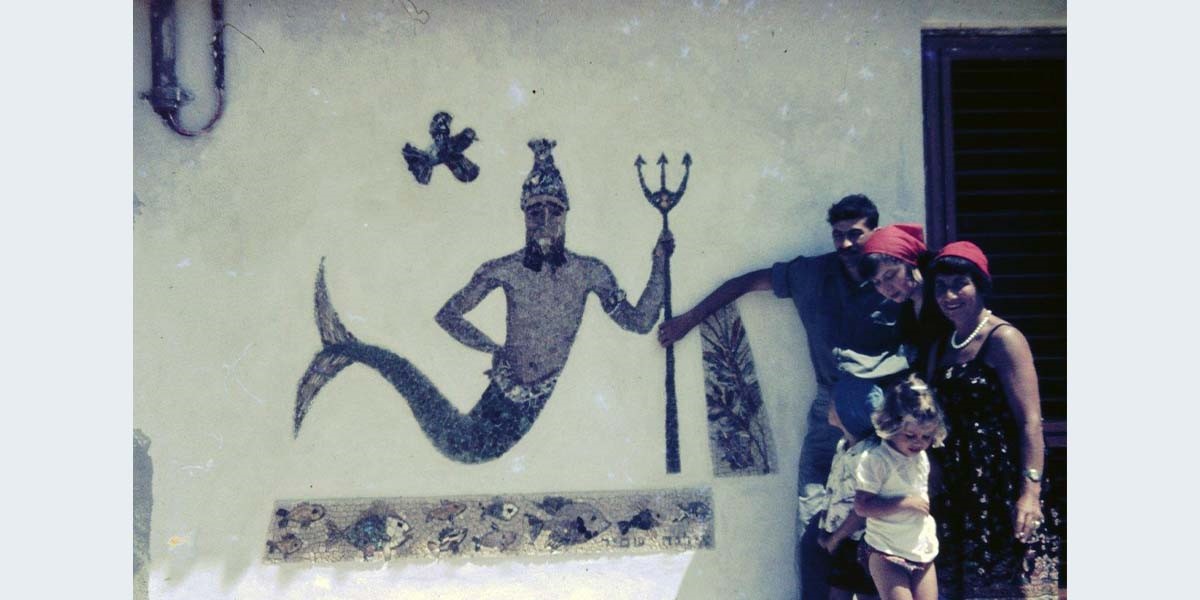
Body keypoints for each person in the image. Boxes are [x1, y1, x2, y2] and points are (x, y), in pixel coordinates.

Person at [293, 138, 673, 463]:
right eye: (535, 211)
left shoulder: (591, 272)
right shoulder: (504, 270)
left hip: (528, 403)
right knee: (459, 444)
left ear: (565, 214)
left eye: (553, 211)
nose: (544, 220)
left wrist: (659, 263)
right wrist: (491, 347)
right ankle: (349, 350)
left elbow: (640, 321)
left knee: (464, 446)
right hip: (501, 397)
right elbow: (448, 315)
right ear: (524, 216)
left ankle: (347, 349)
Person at [656, 194, 908, 600]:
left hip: (883, 413)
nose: (845, 244)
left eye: (855, 234)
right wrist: (687, 320)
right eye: (838, 235)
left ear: (874, 232)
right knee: (814, 511)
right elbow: (745, 283)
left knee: (880, 516)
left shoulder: (896, 276)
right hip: (831, 410)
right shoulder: (812, 273)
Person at [924, 241, 1060, 599]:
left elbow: (1030, 422)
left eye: (960, 285)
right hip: (957, 490)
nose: (949, 295)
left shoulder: (1004, 339)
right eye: (941, 287)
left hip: (1001, 486)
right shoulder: (941, 347)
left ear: (980, 285)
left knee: (1013, 587)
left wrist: (1030, 492)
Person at [853, 375, 947, 600]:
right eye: (910, 435)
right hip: (885, 550)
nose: (918, 442)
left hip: (920, 548)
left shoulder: (921, 458)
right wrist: (904, 503)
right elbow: (862, 507)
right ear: (891, 426)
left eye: (926, 436)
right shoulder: (876, 460)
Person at [806, 375, 882, 600]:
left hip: (861, 543)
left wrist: (835, 538)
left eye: (834, 404)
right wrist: (825, 530)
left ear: (849, 413)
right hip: (843, 542)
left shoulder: (867, 458)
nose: (829, 406)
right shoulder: (843, 447)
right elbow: (835, 491)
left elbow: (863, 510)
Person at [857, 224, 951, 374]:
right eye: (877, 282)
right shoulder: (907, 308)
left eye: (890, 276)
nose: (886, 288)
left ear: (911, 262)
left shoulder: (945, 298)